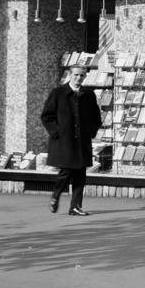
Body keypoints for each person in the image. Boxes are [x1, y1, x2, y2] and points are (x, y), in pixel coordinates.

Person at [40, 64, 102, 216]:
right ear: (69, 75)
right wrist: (57, 133)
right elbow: (47, 116)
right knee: (66, 170)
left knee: (81, 173)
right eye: (76, 75)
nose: (79, 78)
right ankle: (56, 195)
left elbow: (96, 117)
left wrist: (90, 132)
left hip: (82, 140)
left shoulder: (89, 94)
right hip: (64, 140)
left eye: (82, 75)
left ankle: (75, 207)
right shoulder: (58, 93)